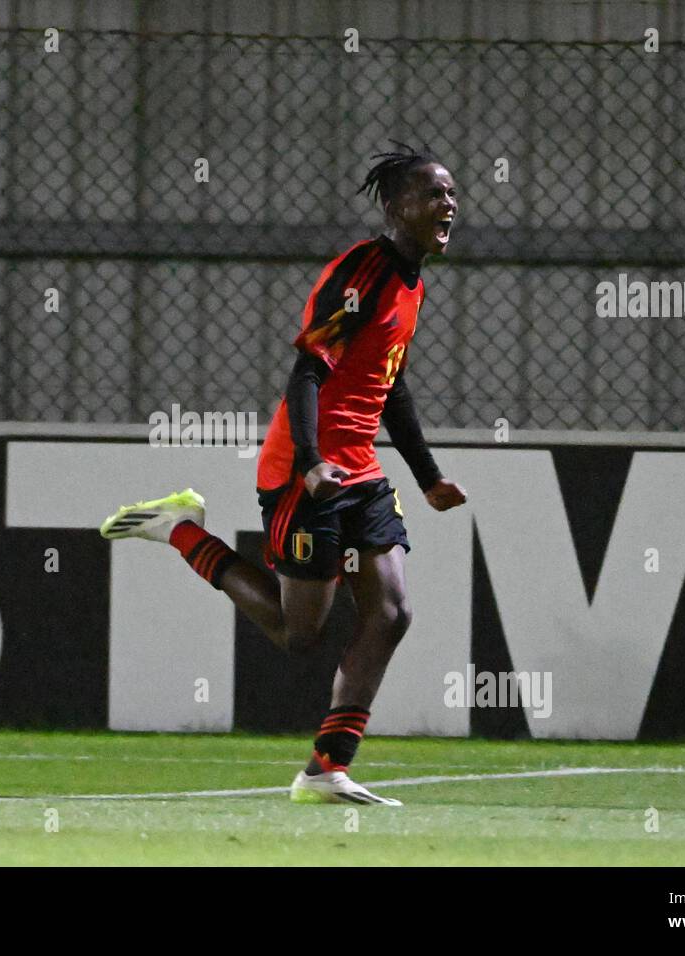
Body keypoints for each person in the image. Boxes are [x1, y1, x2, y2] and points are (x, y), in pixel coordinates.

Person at [100, 143, 467, 805]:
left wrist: (428, 476)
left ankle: (327, 769)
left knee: (390, 611)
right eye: (434, 194)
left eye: (451, 194)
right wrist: (310, 461)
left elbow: (392, 386)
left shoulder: (414, 282)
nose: (450, 205)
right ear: (396, 208)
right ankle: (182, 531)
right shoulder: (364, 273)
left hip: (359, 471)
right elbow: (307, 371)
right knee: (301, 634)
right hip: (305, 469)